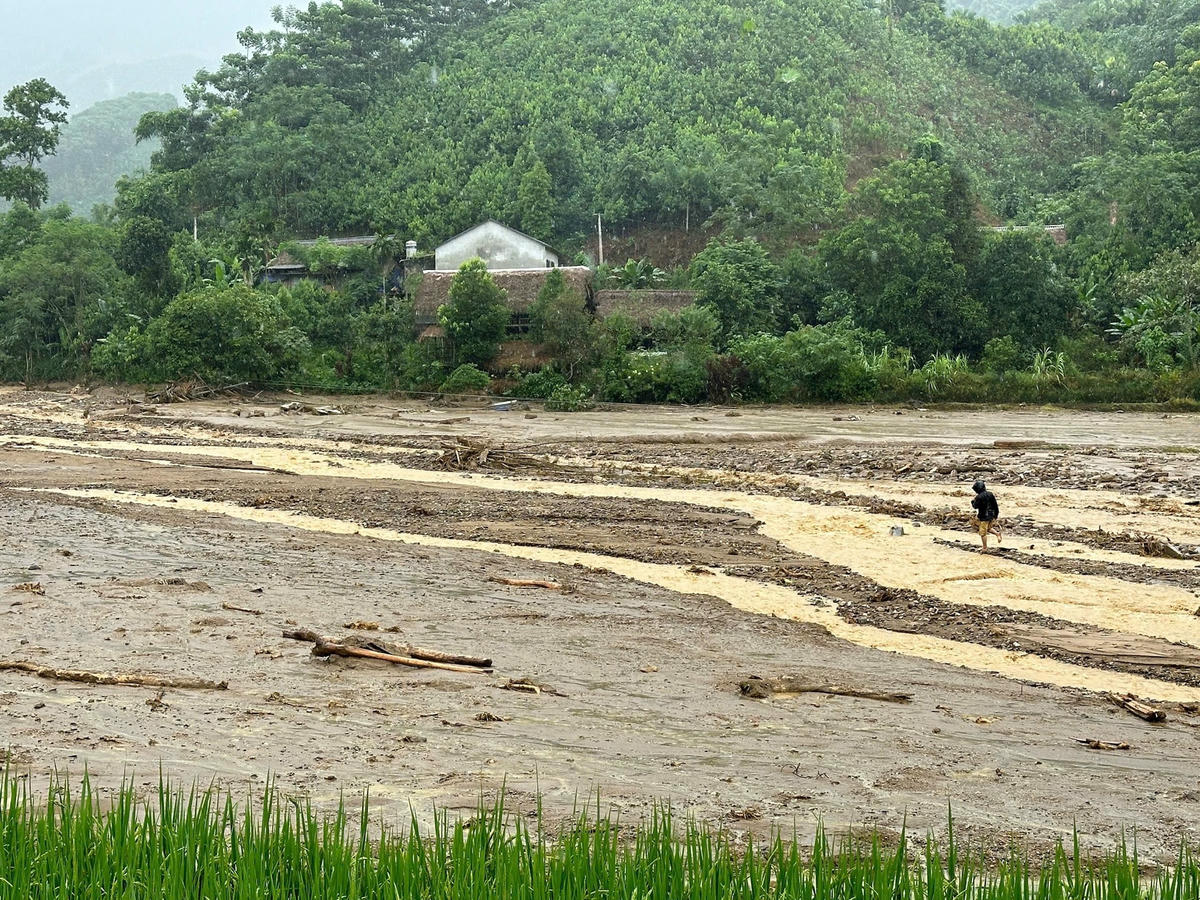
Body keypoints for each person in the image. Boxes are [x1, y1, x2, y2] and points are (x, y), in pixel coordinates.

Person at [970, 479, 1002, 552]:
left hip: (984, 516)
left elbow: (975, 506)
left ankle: (984, 548)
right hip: (991, 515)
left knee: (982, 533)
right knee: (988, 528)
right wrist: (996, 515)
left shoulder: (979, 497)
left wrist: (972, 502)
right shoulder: (990, 494)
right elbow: (995, 505)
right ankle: (997, 534)